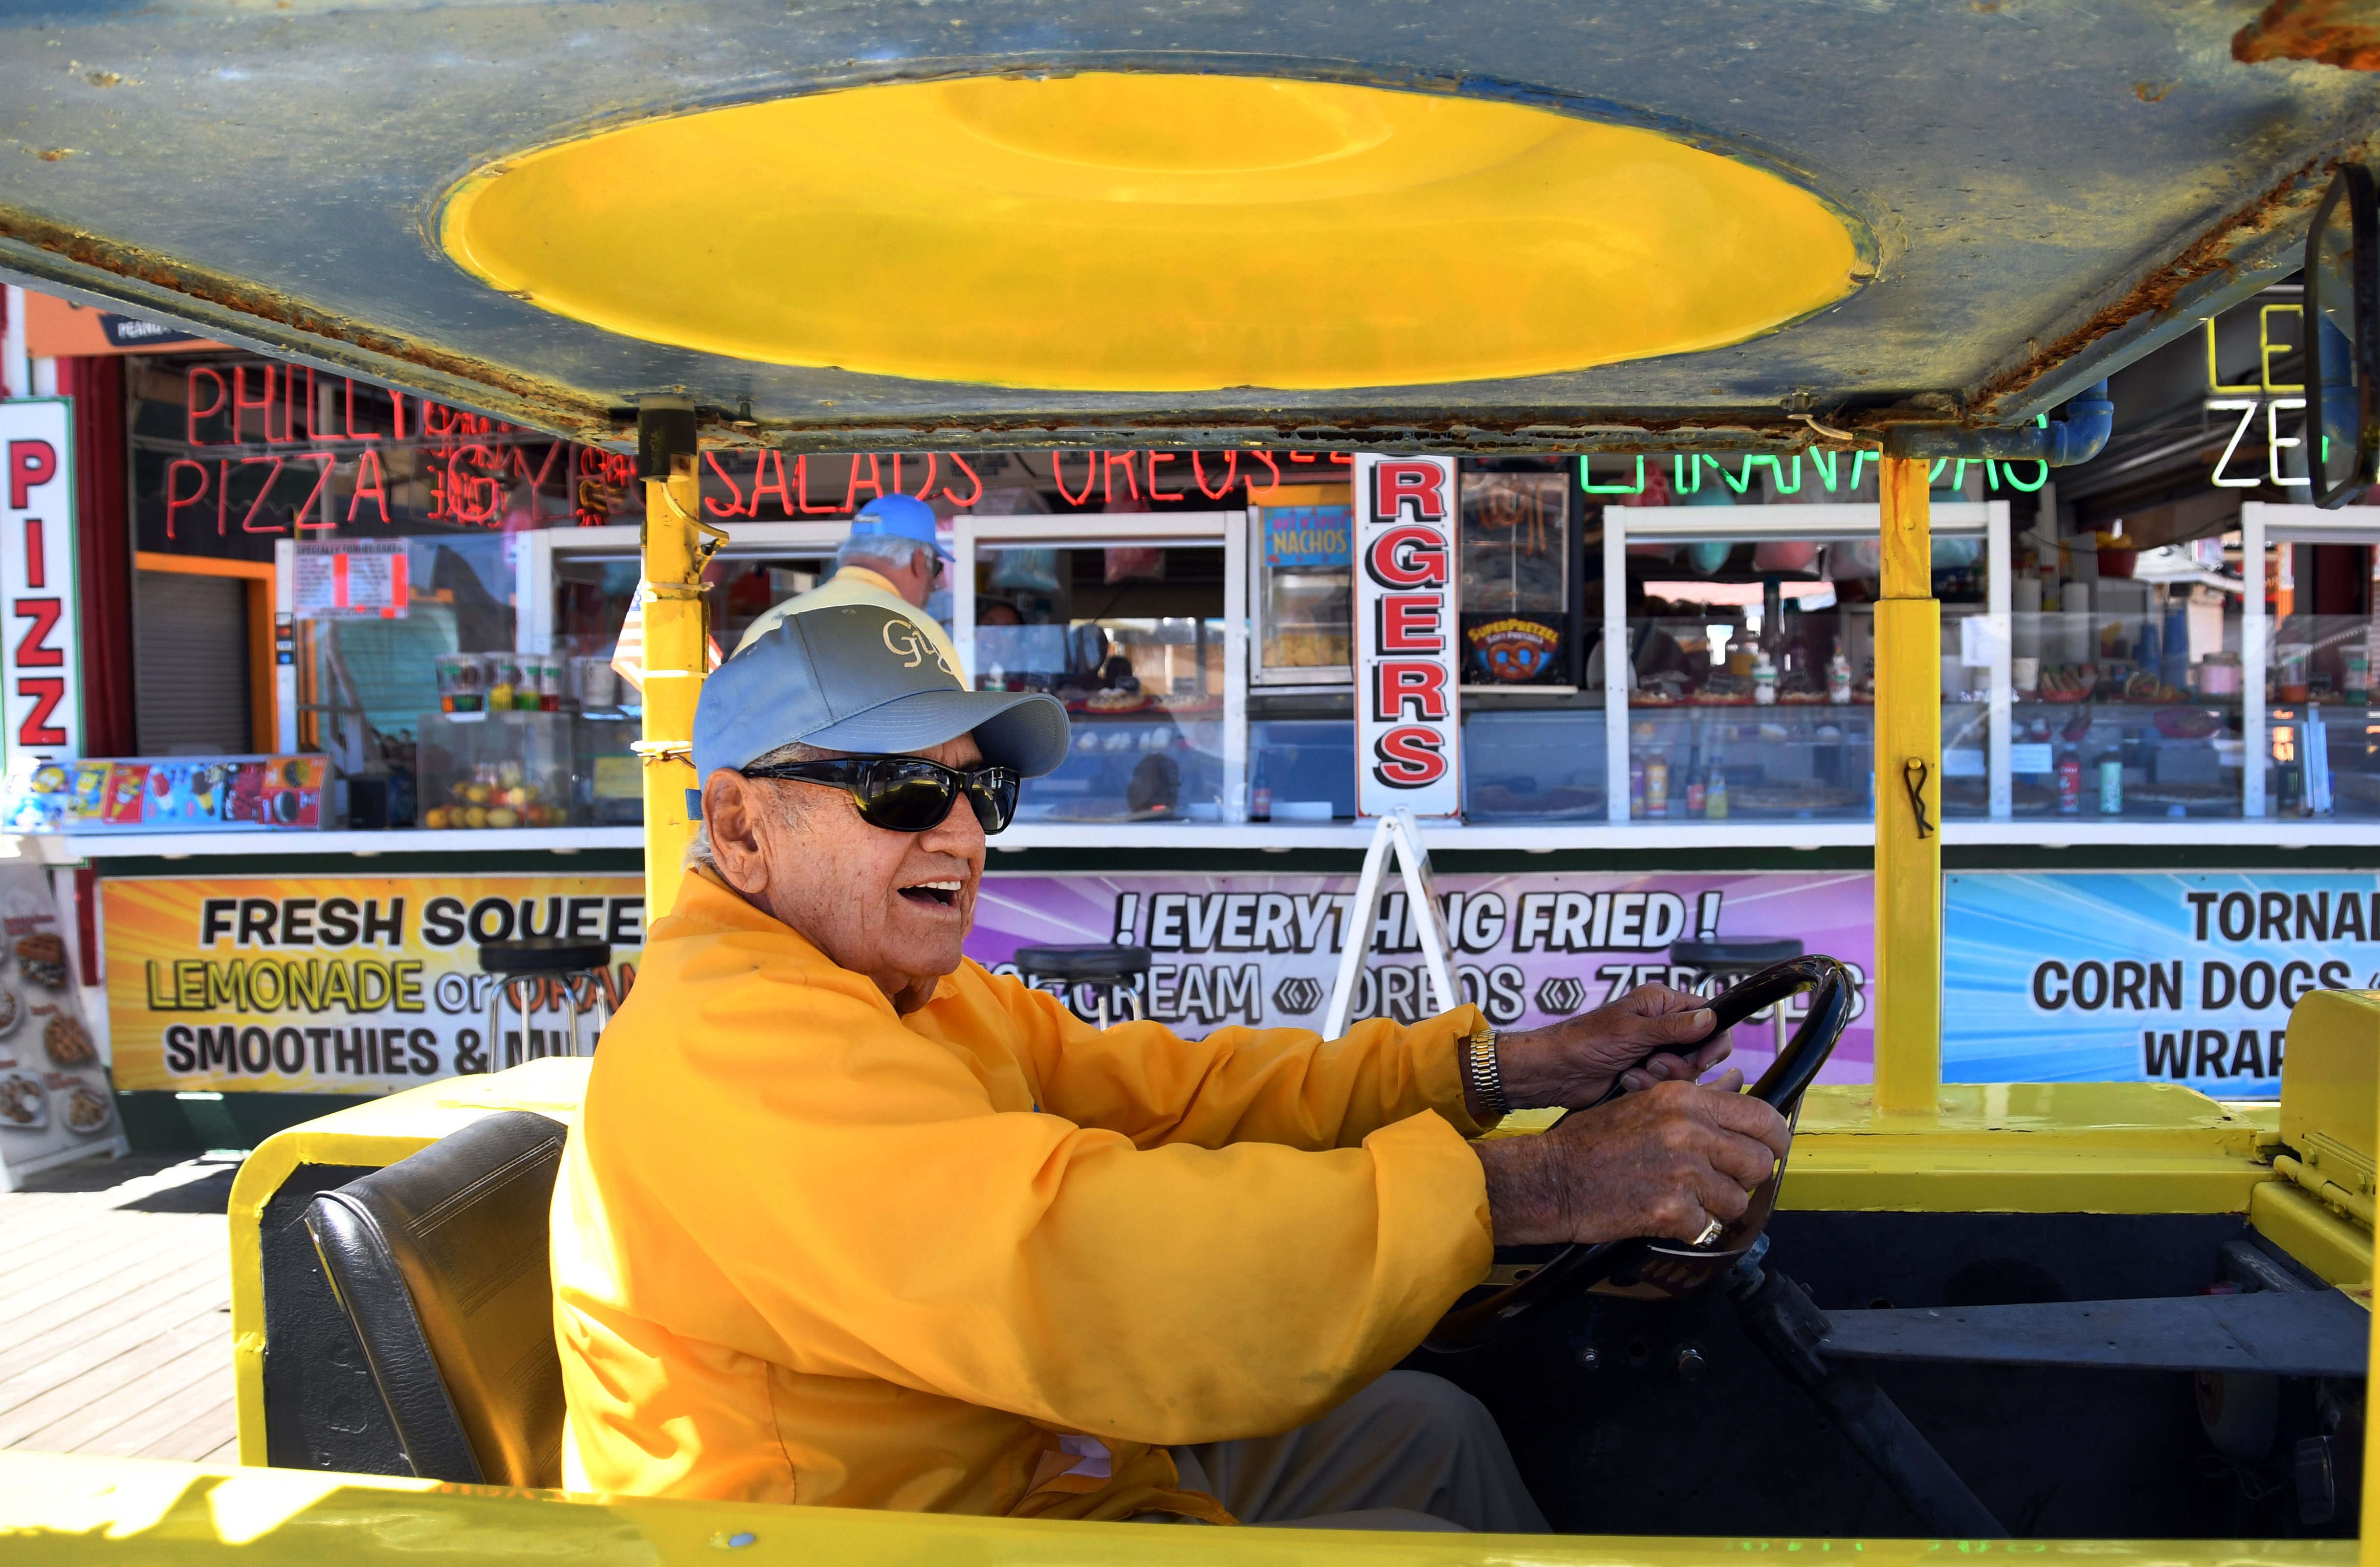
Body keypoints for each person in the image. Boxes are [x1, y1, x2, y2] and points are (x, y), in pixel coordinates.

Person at [552, 602, 1792, 1532]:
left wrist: (1510, 1067)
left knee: (1429, 1432)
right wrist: (1541, 1192)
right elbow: (1081, 1253)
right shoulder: (739, 1043)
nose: (964, 827)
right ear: (736, 825)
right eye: (900, 788)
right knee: (1417, 1540)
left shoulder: (912, 996)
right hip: (861, 1535)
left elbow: (1182, 1096)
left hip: (1016, 1464)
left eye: (980, 784)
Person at [735, 491, 963, 671]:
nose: (935, 584)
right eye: (936, 569)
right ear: (919, 561)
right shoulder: (919, 635)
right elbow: (958, 726)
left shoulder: (767, 626)